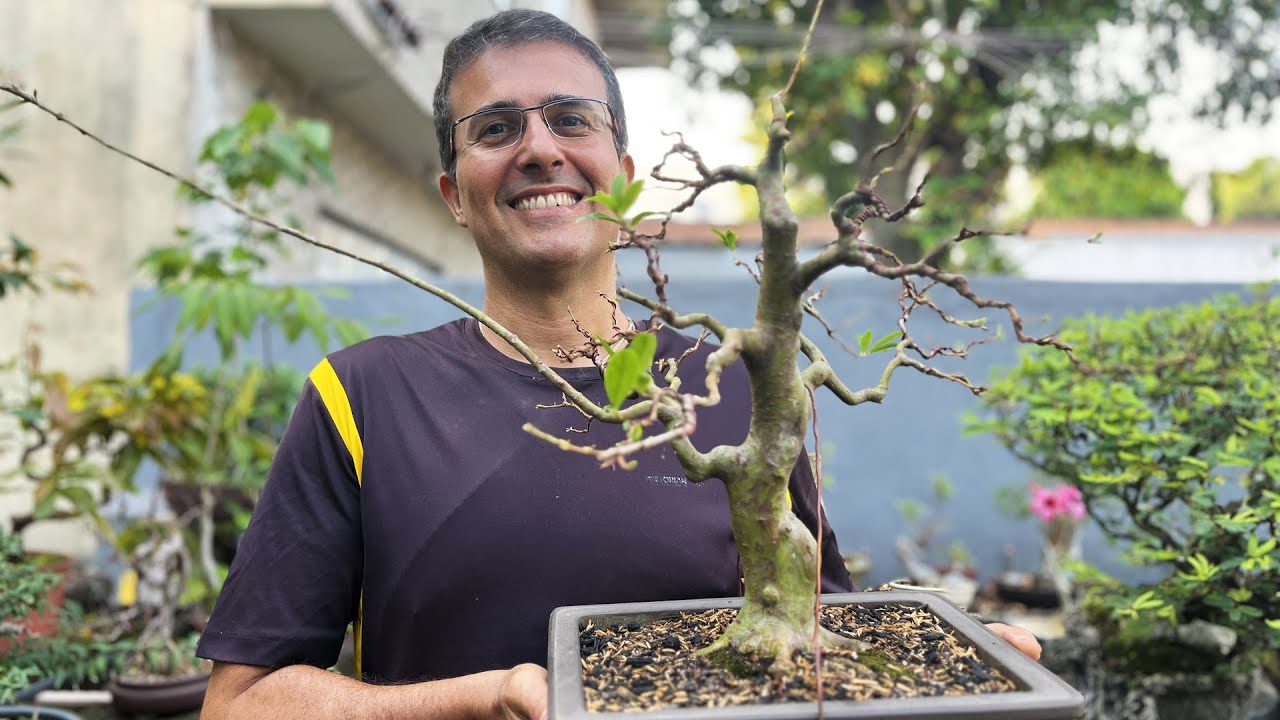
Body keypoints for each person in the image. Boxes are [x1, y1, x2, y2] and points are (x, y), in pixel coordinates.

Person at [196, 9, 1041, 720]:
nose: (538, 148)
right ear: (454, 192)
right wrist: (479, 698)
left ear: (626, 178)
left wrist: (948, 661)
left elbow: (813, 636)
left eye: (572, 119)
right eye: (495, 129)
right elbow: (240, 703)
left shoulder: (740, 385)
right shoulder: (363, 396)